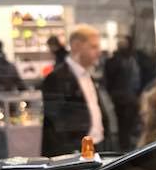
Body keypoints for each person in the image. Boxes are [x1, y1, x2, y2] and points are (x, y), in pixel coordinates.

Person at [42, 24, 107, 156]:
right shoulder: (56, 78)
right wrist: (70, 154)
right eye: (93, 47)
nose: (99, 52)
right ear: (77, 46)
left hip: (96, 147)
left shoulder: (87, 76)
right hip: (75, 152)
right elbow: (57, 124)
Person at [104, 35, 143, 151]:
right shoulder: (119, 61)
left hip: (127, 97)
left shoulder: (130, 60)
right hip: (123, 98)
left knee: (127, 125)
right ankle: (125, 148)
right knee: (124, 126)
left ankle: (127, 147)